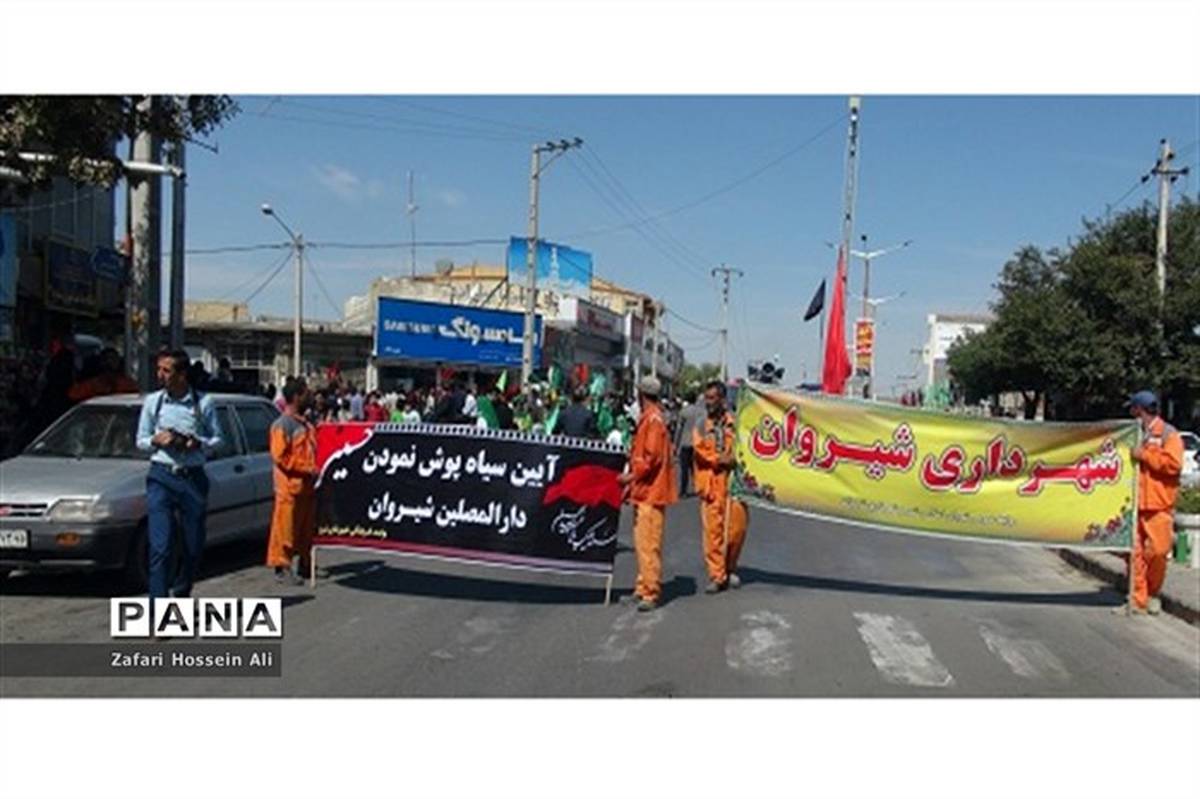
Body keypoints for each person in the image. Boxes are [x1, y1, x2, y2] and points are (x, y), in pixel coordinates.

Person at [135, 349, 224, 599]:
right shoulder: (154, 402)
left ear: (182, 375)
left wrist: (198, 443)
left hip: (192, 478)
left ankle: (182, 589)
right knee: (160, 547)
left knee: (192, 546)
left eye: (166, 370)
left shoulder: (203, 403)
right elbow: (140, 440)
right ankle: (159, 610)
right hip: (161, 476)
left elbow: (218, 439)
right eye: (159, 369)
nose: (160, 375)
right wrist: (157, 440)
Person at [1115, 390, 1184, 615]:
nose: (1130, 413)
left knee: (1157, 552)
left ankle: (1153, 593)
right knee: (1134, 554)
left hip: (1159, 505)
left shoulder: (1168, 434)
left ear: (1140, 410)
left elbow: (1174, 465)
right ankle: (1138, 600)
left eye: (1133, 409)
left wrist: (1144, 455)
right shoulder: (1133, 433)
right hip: (1134, 504)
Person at [617, 375, 678, 612]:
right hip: (645, 492)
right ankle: (643, 586)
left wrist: (631, 477)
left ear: (640, 394)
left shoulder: (653, 420)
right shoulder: (650, 419)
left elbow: (651, 458)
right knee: (643, 544)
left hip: (651, 492)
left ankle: (650, 592)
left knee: (649, 544)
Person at [692, 380, 749, 593]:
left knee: (736, 529)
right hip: (711, 484)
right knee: (713, 532)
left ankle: (729, 567)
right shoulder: (701, 425)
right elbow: (699, 449)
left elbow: (746, 447)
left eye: (712, 398)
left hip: (733, 483)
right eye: (706, 398)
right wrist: (718, 459)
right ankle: (717, 575)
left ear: (722, 400)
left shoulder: (737, 422)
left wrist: (734, 458)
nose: (708, 402)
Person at [266, 378, 318, 585]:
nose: (310, 397)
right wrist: (307, 467)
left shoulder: (307, 424)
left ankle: (304, 563)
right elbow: (280, 457)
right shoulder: (282, 425)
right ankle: (282, 566)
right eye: (306, 393)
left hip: (306, 487)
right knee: (284, 530)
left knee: (305, 529)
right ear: (297, 397)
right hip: (288, 488)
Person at [68, 347, 138, 403]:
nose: (110, 362)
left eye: (113, 359)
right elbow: (73, 395)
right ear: (101, 362)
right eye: (107, 359)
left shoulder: (127, 383)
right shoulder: (92, 384)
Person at [674, 390, 705, 497]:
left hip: (685, 442)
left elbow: (679, 429)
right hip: (697, 443)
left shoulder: (684, 412)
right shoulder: (701, 412)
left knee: (684, 469)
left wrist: (675, 444)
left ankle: (683, 491)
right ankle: (698, 487)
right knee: (695, 468)